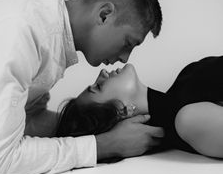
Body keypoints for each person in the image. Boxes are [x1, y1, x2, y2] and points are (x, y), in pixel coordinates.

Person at [0, 0, 163, 174]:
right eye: (128, 43)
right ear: (104, 15)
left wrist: (102, 127)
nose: (125, 59)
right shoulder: (22, 32)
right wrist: (103, 146)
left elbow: (26, 121)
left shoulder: (49, 37)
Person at [56, 56, 223, 159]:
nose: (102, 74)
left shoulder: (184, 80)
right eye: (99, 87)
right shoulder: (188, 122)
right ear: (122, 111)